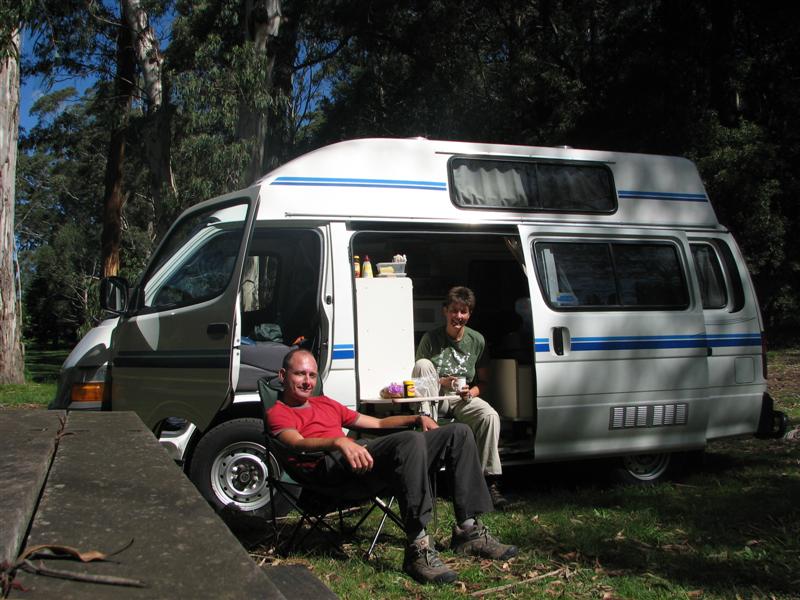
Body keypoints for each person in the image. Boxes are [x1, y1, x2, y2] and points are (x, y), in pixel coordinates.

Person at [267, 348, 518, 585]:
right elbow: (295, 442)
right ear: (282, 375)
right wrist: (338, 442)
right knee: (409, 441)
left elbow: (376, 424)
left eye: (312, 375)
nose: (307, 381)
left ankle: (469, 531)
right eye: (300, 374)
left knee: (458, 433)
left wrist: (417, 417)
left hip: (360, 459)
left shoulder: (325, 403)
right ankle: (418, 547)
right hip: (331, 471)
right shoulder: (279, 411)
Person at [414, 286, 508, 509]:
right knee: (423, 364)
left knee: (489, 416)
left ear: (469, 314)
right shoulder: (431, 338)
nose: (458, 316)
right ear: (445, 311)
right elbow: (419, 378)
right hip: (434, 396)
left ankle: (488, 482)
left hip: (461, 397)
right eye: (454, 310)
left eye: (463, 311)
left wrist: (470, 392)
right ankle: (427, 476)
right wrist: (441, 382)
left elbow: (483, 382)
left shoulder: (477, 340)